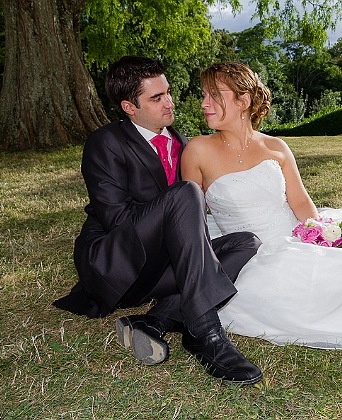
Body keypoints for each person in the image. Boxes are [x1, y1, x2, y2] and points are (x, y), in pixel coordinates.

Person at [181, 62, 342, 350]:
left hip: (297, 235)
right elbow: (192, 216)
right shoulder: (197, 150)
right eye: (203, 95)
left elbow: (299, 201)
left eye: (213, 95)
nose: (203, 103)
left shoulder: (276, 147)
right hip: (249, 253)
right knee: (293, 288)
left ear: (243, 100)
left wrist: (319, 236)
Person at [52, 56, 263, 385]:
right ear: (128, 107)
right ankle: (207, 333)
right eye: (156, 98)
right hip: (116, 262)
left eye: (167, 92)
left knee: (245, 242)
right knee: (186, 193)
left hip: (159, 270)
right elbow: (117, 219)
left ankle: (155, 322)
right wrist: (176, 215)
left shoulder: (178, 142)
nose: (170, 102)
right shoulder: (105, 143)